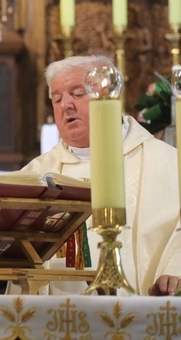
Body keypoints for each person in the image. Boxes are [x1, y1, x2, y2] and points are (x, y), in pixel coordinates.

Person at [21, 54, 181, 296]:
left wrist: (176, 271)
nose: (66, 105)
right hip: (58, 324)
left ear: (109, 95)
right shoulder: (35, 174)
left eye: (77, 93)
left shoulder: (168, 163)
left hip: (146, 317)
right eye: (57, 98)